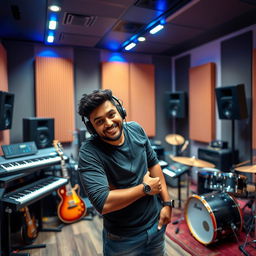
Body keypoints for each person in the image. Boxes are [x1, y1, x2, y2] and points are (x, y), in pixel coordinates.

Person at [78, 89, 173, 256]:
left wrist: (167, 204)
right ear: (91, 128)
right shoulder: (89, 152)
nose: (108, 123)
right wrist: (145, 189)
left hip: (155, 226)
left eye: (111, 114)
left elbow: (154, 164)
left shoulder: (136, 129)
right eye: (99, 121)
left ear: (120, 111)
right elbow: (103, 203)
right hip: (122, 240)